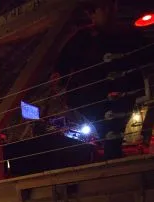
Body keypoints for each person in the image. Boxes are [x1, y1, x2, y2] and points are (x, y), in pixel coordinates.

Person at [53, 0, 149, 160]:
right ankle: (112, 156)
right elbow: (62, 64)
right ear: (91, 14)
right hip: (94, 99)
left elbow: (144, 55)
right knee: (109, 132)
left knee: (114, 132)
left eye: (113, 7)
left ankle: (113, 156)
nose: (111, 12)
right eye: (104, 8)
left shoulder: (128, 35)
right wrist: (59, 80)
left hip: (122, 95)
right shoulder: (82, 39)